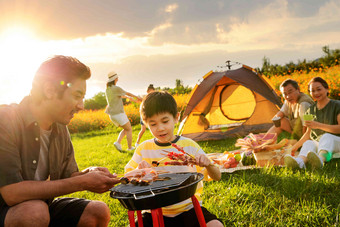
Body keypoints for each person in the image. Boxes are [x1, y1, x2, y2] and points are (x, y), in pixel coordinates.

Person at [0, 55, 120, 226]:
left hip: (41, 208)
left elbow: (68, 176)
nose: (81, 106)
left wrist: (89, 174)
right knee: (34, 213)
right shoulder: (6, 120)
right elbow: (12, 193)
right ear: (49, 90)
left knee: (97, 212)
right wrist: (81, 182)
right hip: (10, 211)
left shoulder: (60, 126)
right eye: (77, 95)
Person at [125, 91, 223, 227]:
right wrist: (138, 172)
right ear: (146, 124)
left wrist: (208, 165)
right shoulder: (143, 149)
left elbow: (217, 176)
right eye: (153, 124)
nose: (160, 128)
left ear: (176, 118)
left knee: (216, 225)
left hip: (188, 208)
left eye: (165, 121)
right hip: (154, 210)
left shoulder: (189, 146)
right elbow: (127, 178)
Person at [284, 77, 340, 169]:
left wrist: (318, 125)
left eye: (319, 89)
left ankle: (320, 161)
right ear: (310, 93)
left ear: (326, 89)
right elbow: (308, 134)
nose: (316, 93)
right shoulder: (309, 110)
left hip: (336, 142)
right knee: (309, 143)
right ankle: (299, 163)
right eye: (312, 91)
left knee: (327, 137)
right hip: (321, 143)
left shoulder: (337, 105)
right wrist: (294, 147)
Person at [105, 71, 142, 151]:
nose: (118, 78)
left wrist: (132, 99)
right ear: (115, 79)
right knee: (129, 129)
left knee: (126, 128)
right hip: (119, 114)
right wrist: (137, 97)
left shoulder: (108, 89)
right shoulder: (116, 88)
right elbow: (127, 93)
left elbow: (121, 95)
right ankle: (129, 148)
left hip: (112, 115)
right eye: (117, 77)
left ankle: (118, 143)